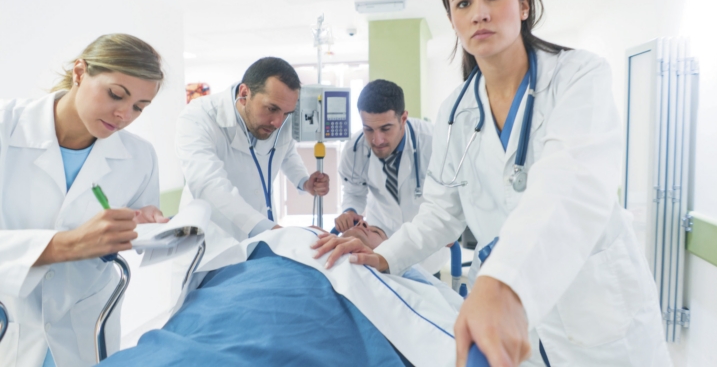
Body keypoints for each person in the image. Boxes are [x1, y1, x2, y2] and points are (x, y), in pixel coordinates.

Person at [312, 0, 670, 367]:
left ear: (524, 4)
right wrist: (387, 255)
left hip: (595, 310)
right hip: (514, 324)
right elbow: (440, 211)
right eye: (463, 3)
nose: (479, 13)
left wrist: (505, 283)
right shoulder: (455, 113)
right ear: (453, 20)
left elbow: (570, 186)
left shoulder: (577, 76)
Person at [0, 34, 169, 367]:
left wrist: (142, 224)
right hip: (11, 319)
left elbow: (135, 225)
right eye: (116, 94)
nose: (124, 114)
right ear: (79, 72)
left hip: (85, 326)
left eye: (139, 107)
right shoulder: (6, 126)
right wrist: (67, 244)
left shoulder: (140, 157)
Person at [99, 226, 460, 367]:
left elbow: (431, 312)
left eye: (376, 230)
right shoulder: (297, 236)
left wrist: (382, 260)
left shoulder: (390, 277)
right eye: (358, 223)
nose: (362, 225)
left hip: (312, 307)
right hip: (253, 282)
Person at [175, 57, 330, 270]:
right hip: (211, 246)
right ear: (244, 93)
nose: (278, 122)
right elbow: (209, 185)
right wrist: (277, 232)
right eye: (271, 109)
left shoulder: (280, 119)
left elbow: (285, 150)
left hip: (261, 239)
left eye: (286, 113)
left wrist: (304, 181)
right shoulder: (198, 118)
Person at [335, 80, 447, 273]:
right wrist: (350, 210)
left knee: (422, 286)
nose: (376, 140)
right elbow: (353, 191)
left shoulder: (434, 141)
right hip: (379, 240)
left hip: (426, 245)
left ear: (403, 118)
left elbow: (452, 195)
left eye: (386, 129)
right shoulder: (354, 149)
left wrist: (447, 225)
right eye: (368, 129)